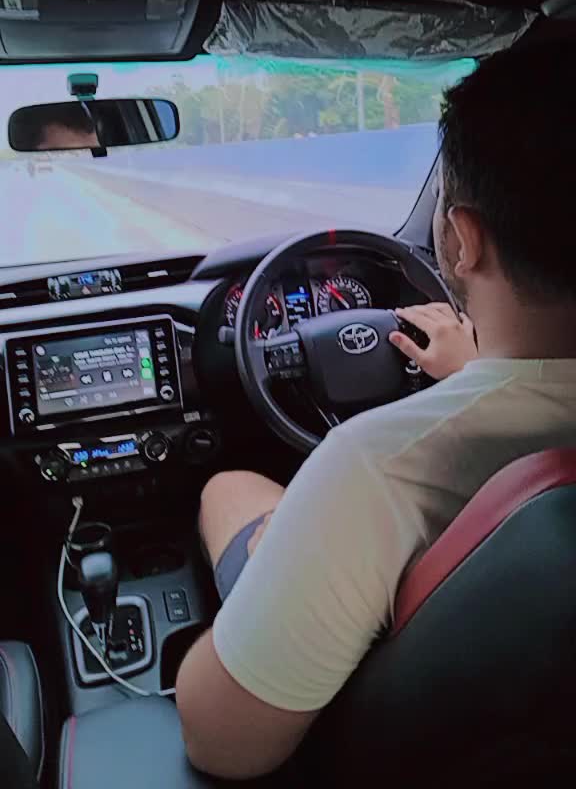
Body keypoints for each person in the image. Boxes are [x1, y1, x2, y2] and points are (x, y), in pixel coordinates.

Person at [175, 42, 576, 780]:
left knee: (228, 489)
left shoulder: (370, 469)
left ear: (462, 239)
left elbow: (218, 743)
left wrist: (290, 540)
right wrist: (479, 374)